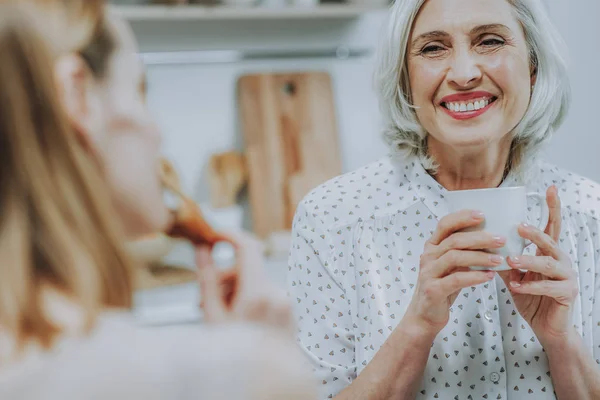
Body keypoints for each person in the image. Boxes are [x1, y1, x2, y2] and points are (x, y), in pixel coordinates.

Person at [0, 2, 316, 399]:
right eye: (140, 90)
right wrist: (259, 351)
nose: (156, 131)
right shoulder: (249, 375)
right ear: (77, 94)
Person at [287, 0, 600, 399]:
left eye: (490, 41)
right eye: (433, 48)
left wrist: (562, 341)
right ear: (405, 79)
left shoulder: (592, 214)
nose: (465, 74)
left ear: (533, 67)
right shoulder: (333, 218)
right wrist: (417, 326)